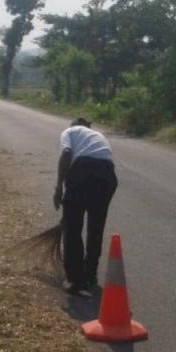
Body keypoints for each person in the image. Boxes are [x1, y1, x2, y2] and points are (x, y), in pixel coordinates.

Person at [53, 117, 118, 294]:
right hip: (107, 174)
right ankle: (90, 275)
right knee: (95, 228)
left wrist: (59, 188)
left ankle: (75, 280)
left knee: (73, 228)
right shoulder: (97, 135)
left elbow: (66, 153)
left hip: (82, 170)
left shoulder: (69, 132)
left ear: (74, 125)